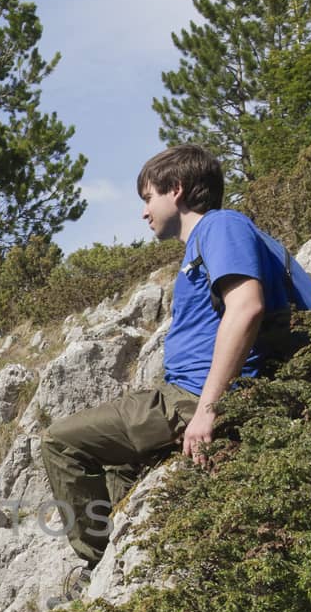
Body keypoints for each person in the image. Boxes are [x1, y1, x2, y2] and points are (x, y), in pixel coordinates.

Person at [39, 143, 291, 569]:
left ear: (176, 189)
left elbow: (246, 307)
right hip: (186, 394)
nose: (144, 212)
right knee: (119, 465)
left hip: (189, 397)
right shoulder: (206, 244)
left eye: (147, 198)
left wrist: (208, 411)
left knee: (60, 441)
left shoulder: (220, 226)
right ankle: (125, 557)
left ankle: (96, 562)